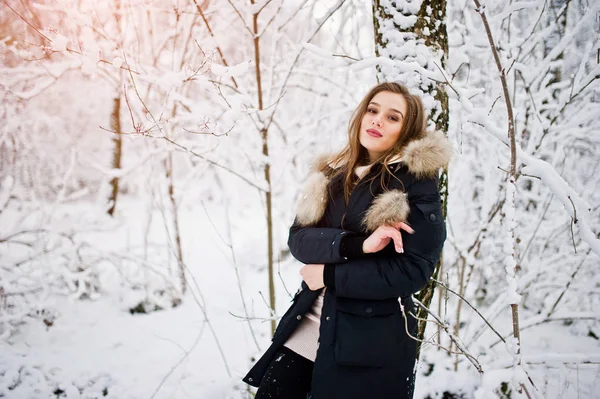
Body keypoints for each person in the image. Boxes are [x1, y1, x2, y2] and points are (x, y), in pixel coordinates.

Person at [242, 81, 453, 399]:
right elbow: (299, 239)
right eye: (372, 110)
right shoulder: (332, 174)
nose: (377, 120)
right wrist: (358, 245)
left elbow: (411, 272)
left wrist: (327, 274)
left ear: (406, 132)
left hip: (365, 345)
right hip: (307, 325)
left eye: (393, 117)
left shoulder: (414, 185)